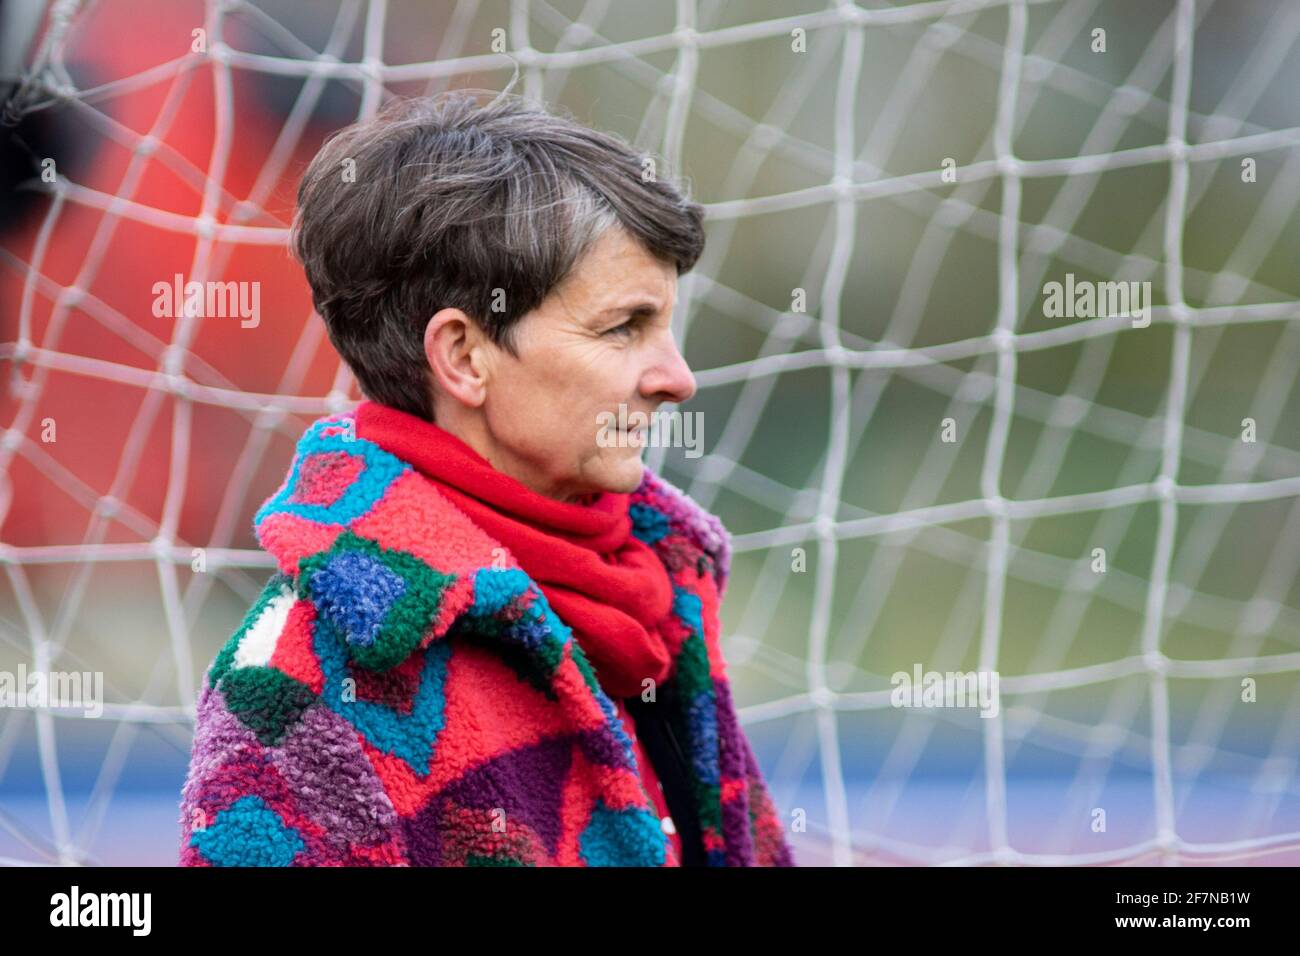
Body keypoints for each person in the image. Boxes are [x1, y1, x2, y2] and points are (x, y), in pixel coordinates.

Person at [177, 90, 795, 867]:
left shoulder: (656, 588)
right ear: (465, 357)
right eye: (623, 328)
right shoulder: (303, 683)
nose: (677, 378)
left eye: (666, 327)